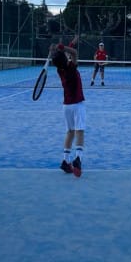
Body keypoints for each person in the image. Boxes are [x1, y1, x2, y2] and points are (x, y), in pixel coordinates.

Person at [51, 41, 85, 177]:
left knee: (70, 132)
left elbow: (67, 55)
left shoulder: (60, 70)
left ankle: (65, 161)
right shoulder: (71, 67)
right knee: (79, 131)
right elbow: (74, 53)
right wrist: (62, 47)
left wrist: (65, 46)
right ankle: (78, 159)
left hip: (66, 106)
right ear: (65, 59)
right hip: (77, 104)